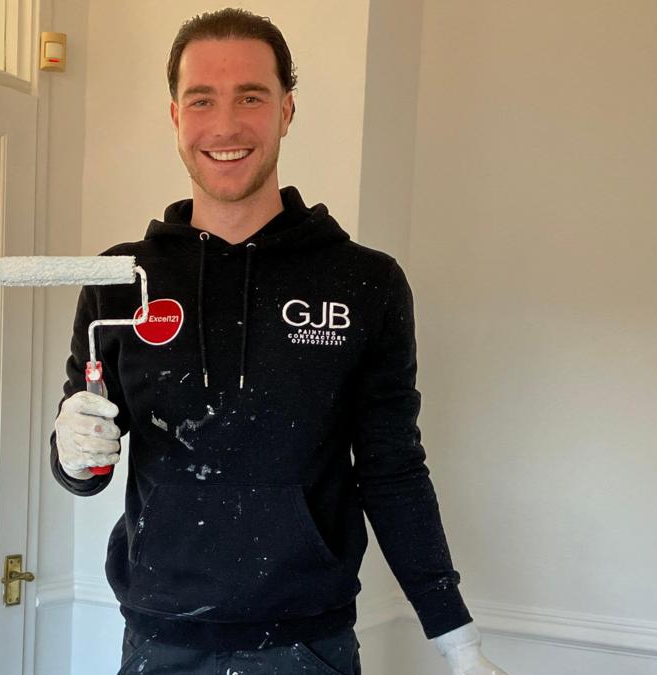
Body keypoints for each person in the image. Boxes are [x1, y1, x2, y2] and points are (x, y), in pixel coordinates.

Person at [50, 8, 509, 675]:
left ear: (287, 109)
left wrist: (456, 639)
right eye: (201, 100)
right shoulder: (120, 280)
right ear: (175, 116)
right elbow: (85, 470)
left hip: (307, 646)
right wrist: (72, 450)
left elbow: (393, 470)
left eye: (251, 97)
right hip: (158, 642)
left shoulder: (364, 283)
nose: (225, 125)